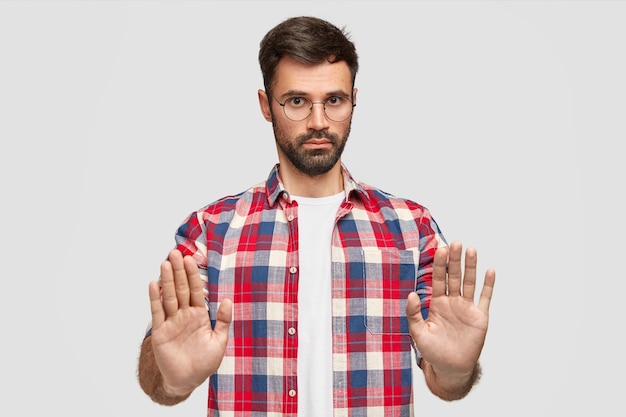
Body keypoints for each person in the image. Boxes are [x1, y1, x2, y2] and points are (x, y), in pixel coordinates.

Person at [137, 15, 496, 417]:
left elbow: (445, 381)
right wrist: (173, 378)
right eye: (296, 102)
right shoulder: (210, 230)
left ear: (353, 100)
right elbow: (159, 379)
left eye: (334, 101)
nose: (319, 121)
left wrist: (455, 369)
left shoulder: (412, 228)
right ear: (265, 106)